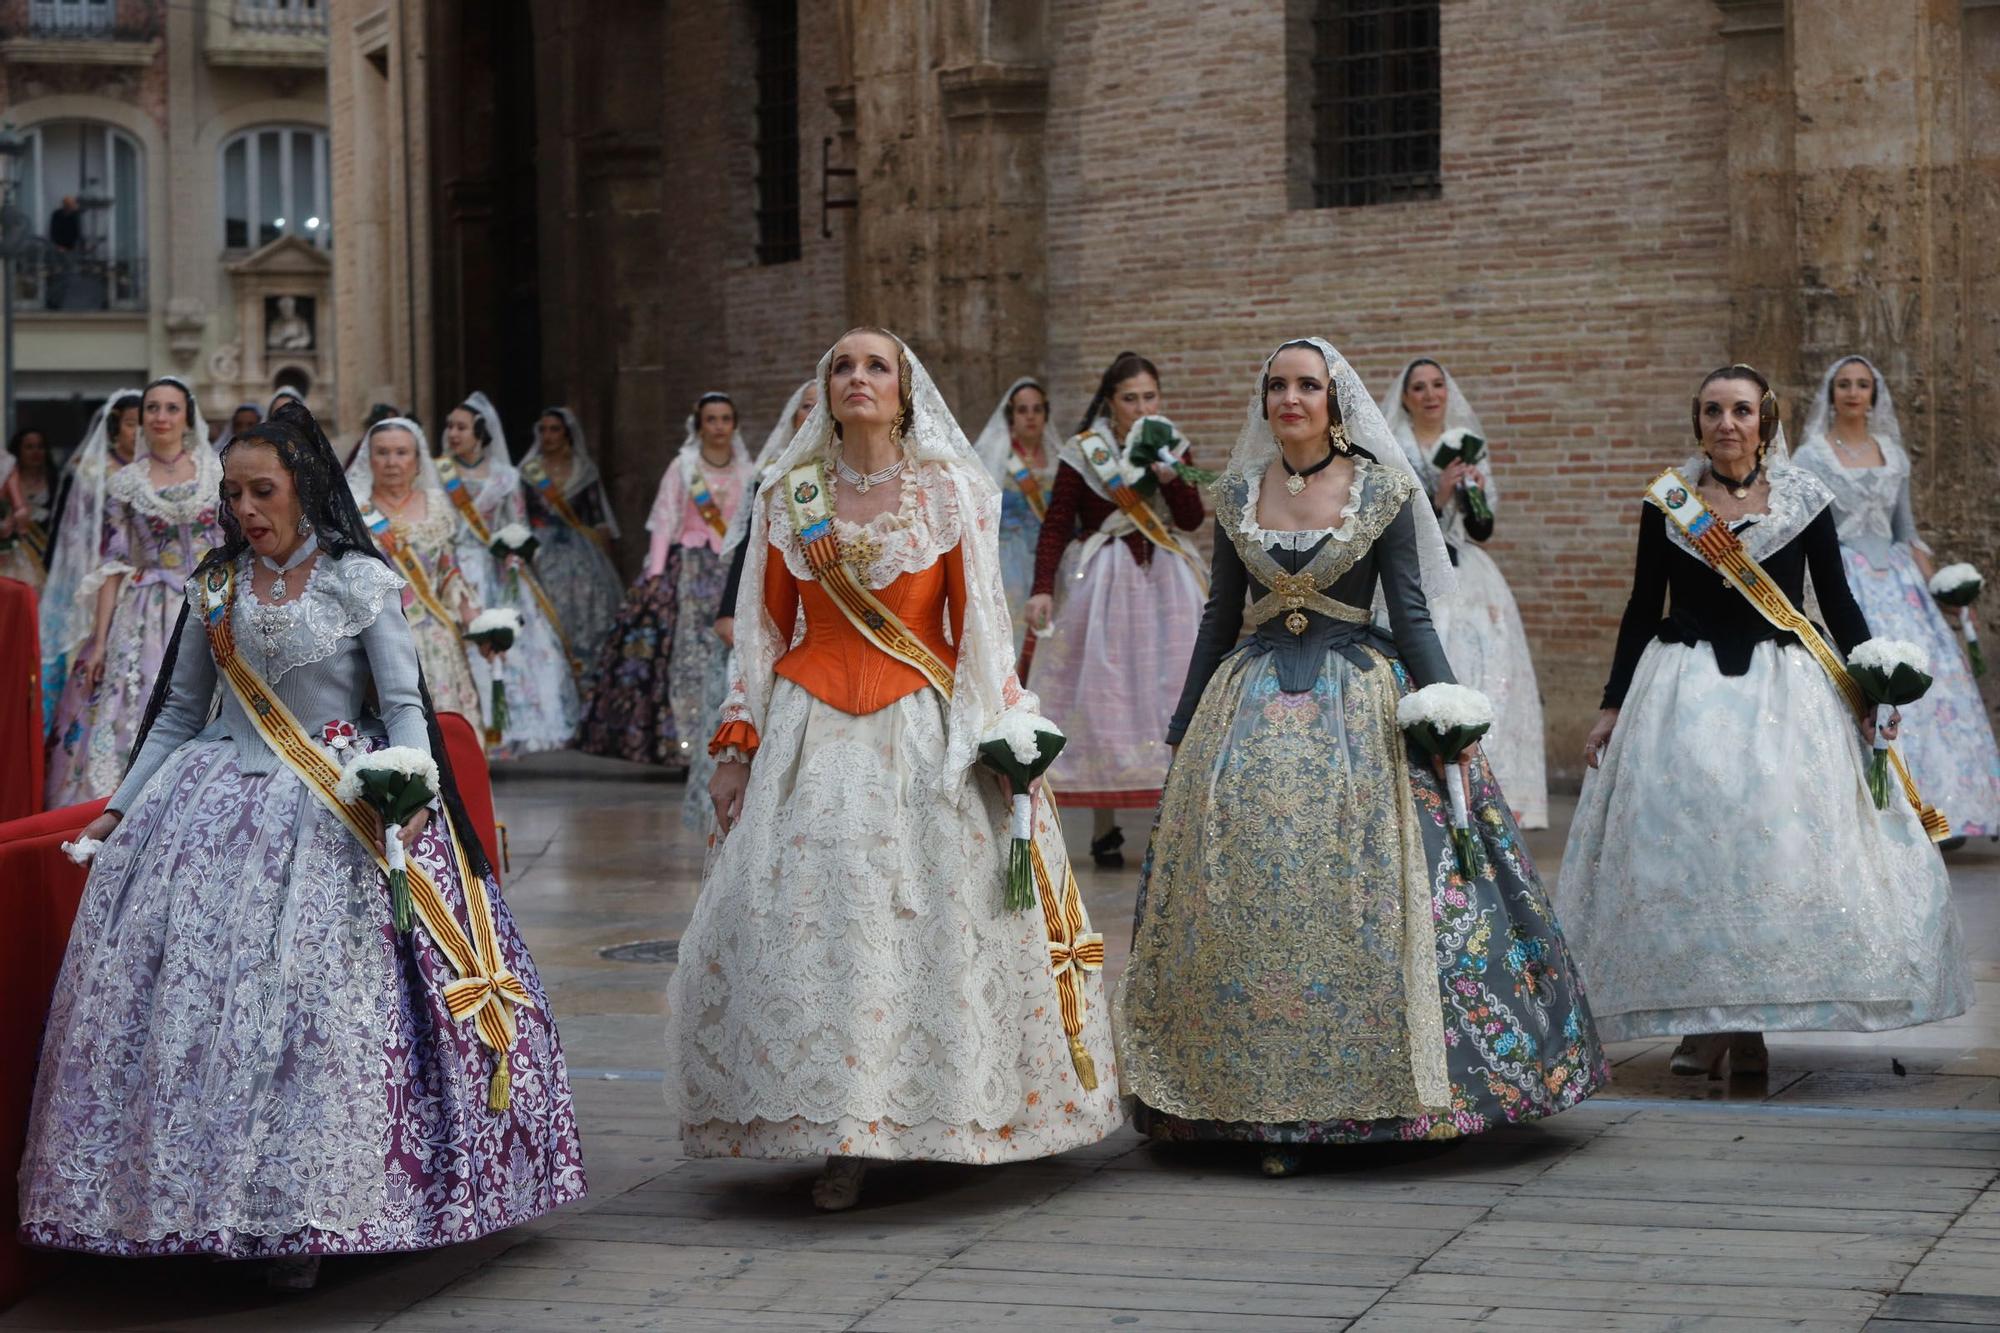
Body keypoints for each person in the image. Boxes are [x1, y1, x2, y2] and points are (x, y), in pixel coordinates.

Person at [20, 401, 583, 1288]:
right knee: (195, 1015)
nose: (245, 508)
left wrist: (413, 791)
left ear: (304, 486)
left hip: (335, 807)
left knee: (318, 1018)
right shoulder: (216, 586)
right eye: (233, 492)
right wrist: (116, 810)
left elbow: (403, 704)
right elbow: (173, 714)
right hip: (206, 812)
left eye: (262, 490)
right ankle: (194, 1204)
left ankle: (312, 1216)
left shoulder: (359, 579)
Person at [1115, 339, 1605, 1174]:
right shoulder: (1237, 493)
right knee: (1250, 894)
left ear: (1336, 403)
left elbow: (1411, 615)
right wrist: (1185, 724)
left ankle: (1377, 1099)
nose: (1291, 398)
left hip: (1363, 702)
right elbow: (1219, 618)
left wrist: (1449, 712)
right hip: (1249, 711)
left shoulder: (1381, 490)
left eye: (1308, 385)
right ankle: (1256, 1106)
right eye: (1277, 385)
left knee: (1374, 890)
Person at [668, 328, 1121, 1211]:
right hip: (811, 737)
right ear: (825, 390)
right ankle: (842, 1127)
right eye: (843, 365)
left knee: (925, 925)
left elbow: (982, 627)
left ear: (906, 392)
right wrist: (735, 748)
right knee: (821, 924)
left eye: (877, 365)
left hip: (922, 735)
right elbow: (760, 636)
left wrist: (1008, 740)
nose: (858, 377)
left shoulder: (947, 493)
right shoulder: (786, 495)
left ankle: (948, 1112)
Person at [1557, 365, 1970, 1076]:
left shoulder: (1805, 499)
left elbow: (1836, 602)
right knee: (1687, 853)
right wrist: (1610, 704)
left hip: (1785, 697)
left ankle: (1749, 1025)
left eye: (1741, 411)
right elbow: (1639, 607)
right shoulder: (1670, 504)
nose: (1726, 424)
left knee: (1771, 852)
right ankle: (1700, 1018)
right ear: (1699, 422)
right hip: (1681, 694)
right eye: (1713, 411)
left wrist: (1872, 688)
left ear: (1764, 421)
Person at [1792, 355, 2000, 841]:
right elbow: (1805, 532)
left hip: (1900, 583)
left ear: (1874, 395)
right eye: (1843, 384)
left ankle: (1947, 809)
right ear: (1830, 394)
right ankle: (1878, 809)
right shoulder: (1811, 456)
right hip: (1845, 580)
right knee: (1864, 685)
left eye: (1862, 384)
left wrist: (1942, 589)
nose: (1852, 392)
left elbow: (1906, 529)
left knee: (1930, 689)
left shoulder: (1893, 452)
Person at [1024, 352, 1207, 867]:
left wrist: (1172, 478)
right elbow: (1057, 522)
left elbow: (1191, 520)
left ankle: (1171, 820)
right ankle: (1104, 826)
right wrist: (1042, 587)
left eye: (1150, 397)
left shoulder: (1171, 443)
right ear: (1110, 401)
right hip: (1102, 581)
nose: (1141, 406)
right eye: (1131, 398)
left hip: (1167, 580)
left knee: (1170, 693)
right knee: (1105, 698)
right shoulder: (1085, 453)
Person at [1379, 359, 1549, 828]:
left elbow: (1483, 528)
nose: (1431, 394)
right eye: (1419, 387)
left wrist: (1469, 493)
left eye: (1438, 385)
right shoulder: (1392, 447)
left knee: (1485, 667)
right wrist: (1437, 493)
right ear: (1406, 397)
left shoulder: (1466, 445)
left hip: (1469, 573)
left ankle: (1493, 793)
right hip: (1414, 574)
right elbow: (1394, 525)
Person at [45, 377, 223, 807]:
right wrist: (100, 640)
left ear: (187, 416)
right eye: (152, 409)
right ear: (141, 418)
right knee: (134, 703)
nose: (161, 417)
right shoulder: (127, 482)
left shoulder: (215, 469)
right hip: (147, 606)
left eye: (171, 408)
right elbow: (115, 564)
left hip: (214, 599)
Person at [578, 393, 750, 772]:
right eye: (712, 419)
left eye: (725, 419)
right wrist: (655, 574)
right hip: (686, 568)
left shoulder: (746, 469)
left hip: (727, 573)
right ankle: (682, 743)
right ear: (699, 425)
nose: (719, 426)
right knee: (679, 655)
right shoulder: (683, 466)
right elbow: (664, 519)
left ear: (734, 424)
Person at [439, 393, 580, 758]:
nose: (452, 433)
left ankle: (503, 730)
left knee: (509, 648)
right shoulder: (438, 472)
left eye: (461, 427)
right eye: (450, 426)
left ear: (480, 433)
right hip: (452, 569)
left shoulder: (506, 477)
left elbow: (515, 521)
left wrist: (513, 549)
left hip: (494, 570)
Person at [346, 419, 489, 723]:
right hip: (374, 639)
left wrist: (477, 622)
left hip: (433, 636)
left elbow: (449, 572)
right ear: (369, 459)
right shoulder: (355, 512)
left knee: (445, 730)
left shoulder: (437, 506)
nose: (392, 462)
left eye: (401, 452)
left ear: (418, 461)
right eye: (382, 453)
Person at [38, 390, 141, 720]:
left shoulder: (157, 469)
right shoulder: (95, 470)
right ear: (114, 428)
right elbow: (77, 529)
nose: (137, 431)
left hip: (143, 570)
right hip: (99, 567)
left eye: (142, 424)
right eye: (129, 424)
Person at [518, 406, 625, 673]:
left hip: (581, 553)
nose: (548, 435)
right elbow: (519, 515)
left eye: (554, 429)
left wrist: (608, 562)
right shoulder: (528, 472)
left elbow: (597, 517)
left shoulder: (584, 470)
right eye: (542, 429)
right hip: (540, 552)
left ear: (566, 433)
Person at [715, 379, 819, 649]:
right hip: (777, 593)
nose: (813, 413)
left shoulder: (854, 470)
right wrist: (728, 610)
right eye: (807, 406)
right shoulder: (771, 475)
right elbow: (749, 545)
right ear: (793, 417)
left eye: (823, 405)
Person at [970, 377, 1062, 666]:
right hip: (1006, 559)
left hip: (1049, 560)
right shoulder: (993, 458)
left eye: (1037, 409)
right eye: (1023, 410)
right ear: (1012, 416)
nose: (1031, 416)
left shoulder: (1060, 460)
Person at [0, 430, 47, 587]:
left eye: (40, 447)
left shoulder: (5, 462)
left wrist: (11, 521)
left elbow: (20, 509)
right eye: (29, 447)